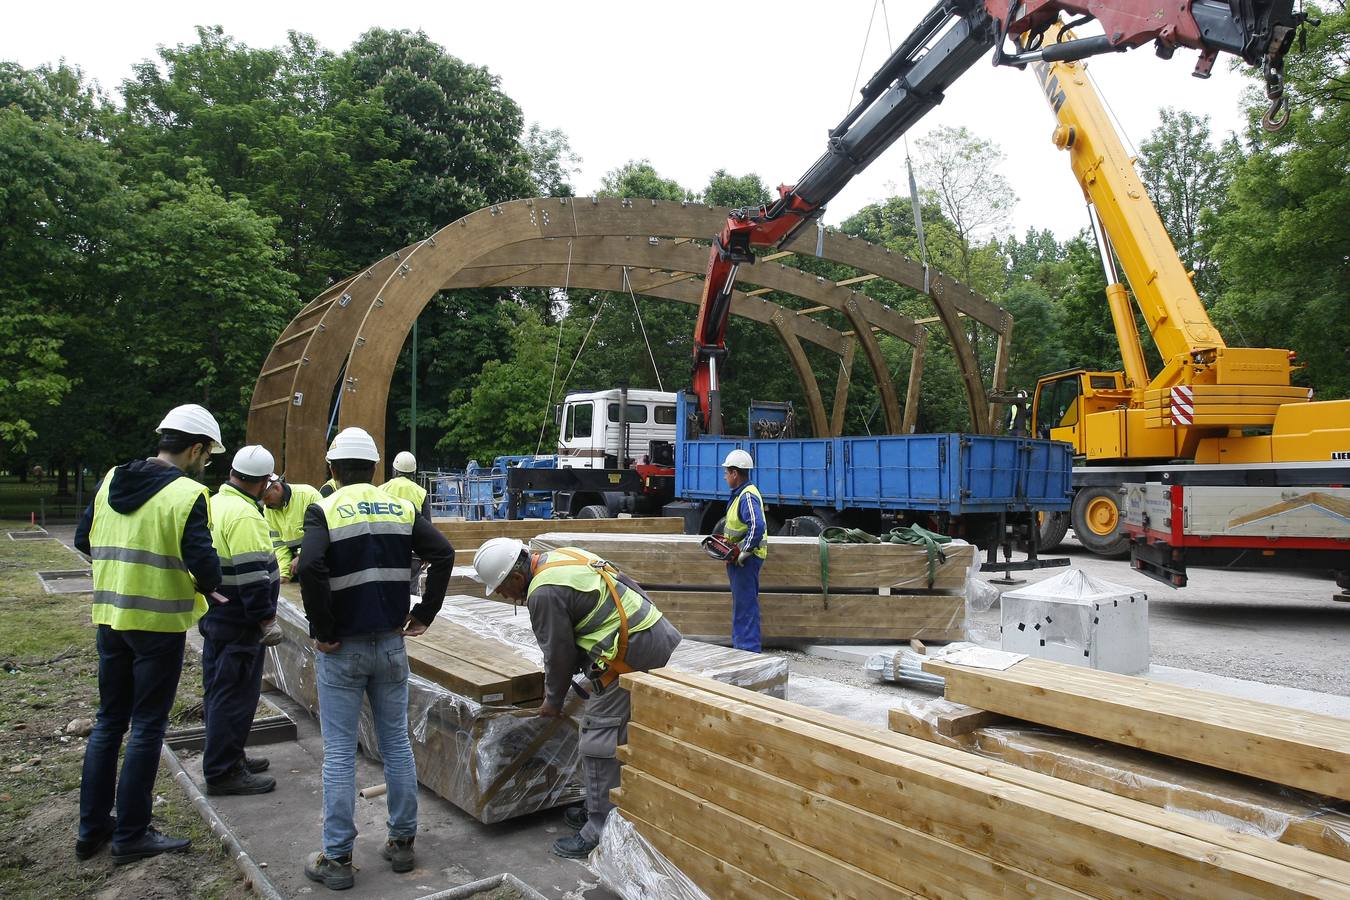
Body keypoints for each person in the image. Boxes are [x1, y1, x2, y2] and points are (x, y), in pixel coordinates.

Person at [298, 427, 455, 891]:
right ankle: (402, 844)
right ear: (375, 469)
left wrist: (323, 629)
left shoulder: (323, 509)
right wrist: (425, 612)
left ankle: (338, 858)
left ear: (332, 469)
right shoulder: (402, 508)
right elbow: (443, 553)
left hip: (342, 649)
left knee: (341, 755)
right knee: (398, 746)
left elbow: (308, 566)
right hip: (390, 643)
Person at [74, 404, 225, 864]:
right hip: (157, 625)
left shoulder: (112, 478)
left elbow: (84, 539)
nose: (206, 463)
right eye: (207, 455)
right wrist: (207, 585)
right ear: (194, 449)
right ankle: (132, 834)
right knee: (145, 728)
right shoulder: (187, 493)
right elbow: (205, 564)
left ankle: (92, 829)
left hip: (111, 617)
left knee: (107, 722)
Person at [471, 536, 682, 859]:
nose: (505, 597)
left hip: (633, 649)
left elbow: (558, 655)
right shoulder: (561, 557)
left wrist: (552, 701)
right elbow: (625, 584)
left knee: (597, 737)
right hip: (649, 631)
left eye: (503, 590)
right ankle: (608, 801)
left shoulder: (543, 593)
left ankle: (600, 826)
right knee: (615, 728)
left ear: (517, 577)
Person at [201, 445, 282, 796]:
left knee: (220, 691)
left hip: (218, 615)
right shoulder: (245, 516)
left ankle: (230, 756)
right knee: (234, 696)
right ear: (263, 482)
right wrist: (266, 619)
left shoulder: (216, 503)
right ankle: (223, 772)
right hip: (240, 621)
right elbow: (253, 576)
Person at [721, 449, 767, 653]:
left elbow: (757, 525)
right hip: (740, 560)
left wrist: (744, 551)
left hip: (746, 561)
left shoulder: (747, 496)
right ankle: (743, 648)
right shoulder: (742, 494)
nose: (725, 476)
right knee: (742, 606)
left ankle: (748, 651)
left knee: (745, 607)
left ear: (735, 474)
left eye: (726, 472)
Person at [379, 451, 432, 594]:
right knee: (410, 592)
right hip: (413, 552)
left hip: (387, 550)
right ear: (414, 472)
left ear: (394, 470)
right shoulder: (421, 492)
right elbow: (427, 525)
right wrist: (427, 553)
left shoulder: (381, 489)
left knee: (386, 591)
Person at [261, 477, 323, 583]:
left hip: (318, 560)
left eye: (267, 497)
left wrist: (301, 556)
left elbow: (319, 533)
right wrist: (284, 574)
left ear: (276, 488)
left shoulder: (308, 495)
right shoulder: (269, 509)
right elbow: (278, 544)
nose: (266, 503)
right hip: (296, 566)